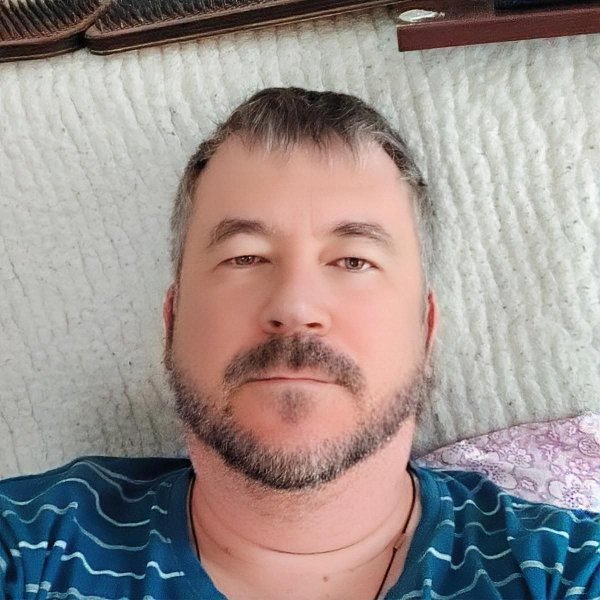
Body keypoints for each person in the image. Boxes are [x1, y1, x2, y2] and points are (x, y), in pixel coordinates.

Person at [0, 87, 598, 600]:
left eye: (353, 260)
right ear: (172, 320)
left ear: (426, 330)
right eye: (245, 257)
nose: (295, 307)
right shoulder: (30, 548)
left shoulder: (566, 573)